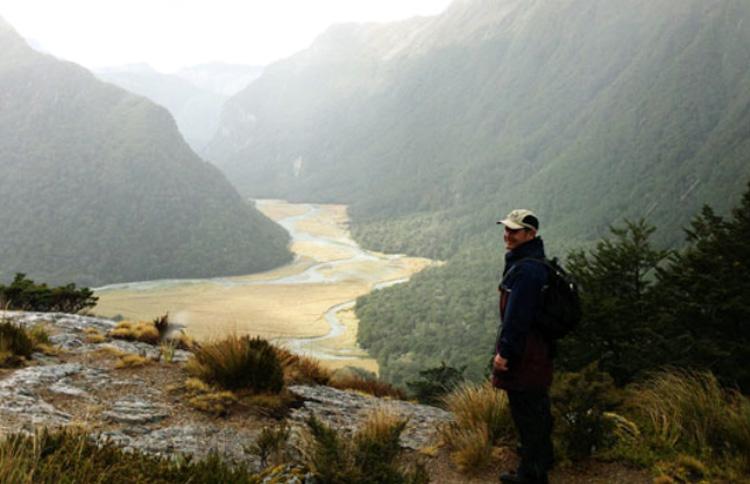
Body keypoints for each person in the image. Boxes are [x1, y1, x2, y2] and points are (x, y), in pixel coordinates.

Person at [493, 209, 554, 484]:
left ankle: (531, 475)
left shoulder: (527, 270)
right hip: (536, 350)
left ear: (531, 234)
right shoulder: (530, 262)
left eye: (514, 231)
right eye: (506, 229)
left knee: (526, 409)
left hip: (525, 353)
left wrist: (505, 353)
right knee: (535, 407)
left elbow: (517, 318)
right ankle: (539, 460)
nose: (507, 235)